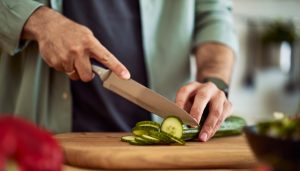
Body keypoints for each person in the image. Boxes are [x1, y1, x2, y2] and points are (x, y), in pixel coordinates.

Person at [0, 0, 237, 142]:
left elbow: (214, 16)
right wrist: (40, 22)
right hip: (37, 131)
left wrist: (215, 81)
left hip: (159, 152)